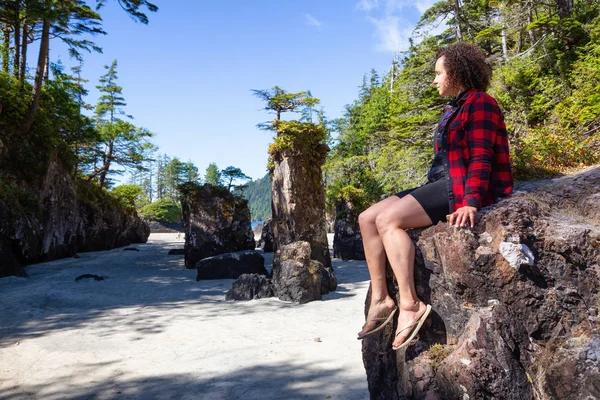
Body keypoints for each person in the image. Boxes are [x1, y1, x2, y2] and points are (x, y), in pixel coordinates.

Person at [356, 42, 513, 350]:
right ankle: (381, 298)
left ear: (455, 72)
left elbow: (482, 156)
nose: (435, 80)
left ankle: (410, 304)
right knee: (367, 218)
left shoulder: (481, 103)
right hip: (443, 180)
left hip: (461, 185)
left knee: (389, 221)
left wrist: (471, 201)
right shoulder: (454, 107)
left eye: (439, 73)